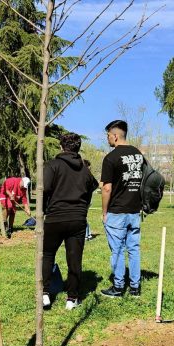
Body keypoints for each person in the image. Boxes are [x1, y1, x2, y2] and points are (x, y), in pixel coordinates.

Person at [41, 133, 99, 310]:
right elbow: (93, 186)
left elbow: (45, 189)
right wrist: (83, 207)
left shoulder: (52, 166)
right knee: (74, 259)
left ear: (61, 147)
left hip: (55, 218)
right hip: (77, 220)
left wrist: (43, 210)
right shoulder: (84, 170)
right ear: (78, 148)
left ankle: (44, 293)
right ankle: (72, 298)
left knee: (48, 254)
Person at [100, 119, 145, 298]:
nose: (108, 139)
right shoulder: (139, 155)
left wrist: (104, 212)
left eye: (108, 136)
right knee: (134, 248)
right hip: (135, 211)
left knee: (117, 250)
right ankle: (135, 287)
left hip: (117, 212)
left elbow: (106, 188)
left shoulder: (111, 158)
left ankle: (118, 287)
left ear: (116, 136)